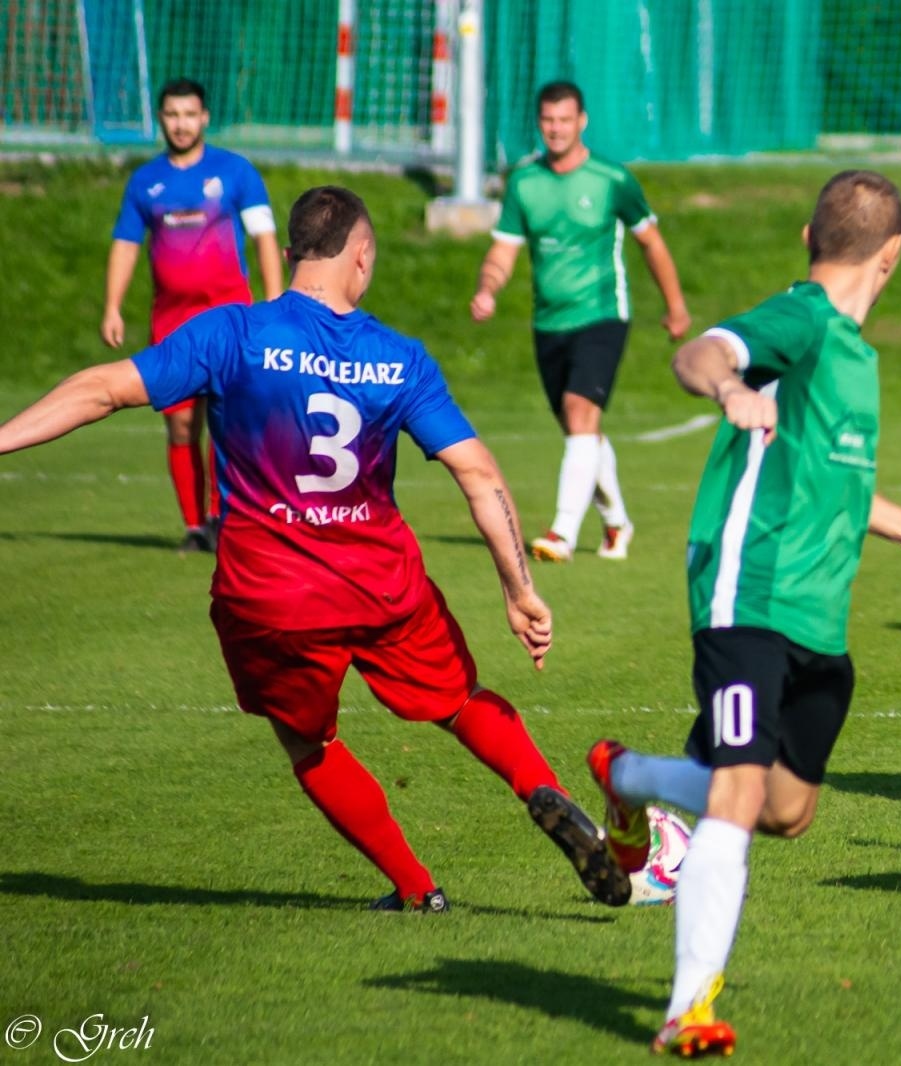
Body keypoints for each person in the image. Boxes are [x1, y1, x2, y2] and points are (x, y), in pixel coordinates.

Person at [1, 186, 630, 912]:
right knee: (458, 700)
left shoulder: (230, 334)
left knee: (309, 742)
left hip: (271, 598)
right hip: (384, 587)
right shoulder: (399, 359)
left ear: (295, 251)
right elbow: (478, 474)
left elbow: (103, 389)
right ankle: (537, 786)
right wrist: (520, 591)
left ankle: (416, 888)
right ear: (360, 256)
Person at [583, 171, 901, 1056]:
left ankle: (631, 777)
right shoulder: (800, 320)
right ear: (895, 256)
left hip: (818, 620)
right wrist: (727, 389)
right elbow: (703, 353)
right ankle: (688, 1010)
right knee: (740, 791)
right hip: (746, 594)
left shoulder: (856, 356)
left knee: (786, 810)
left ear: (808, 231)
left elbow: (838, 483)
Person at [470, 80, 692, 563]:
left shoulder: (612, 179)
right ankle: (616, 523)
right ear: (539, 122)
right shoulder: (524, 183)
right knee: (580, 430)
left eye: (565, 119)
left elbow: (650, 243)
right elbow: (503, 251)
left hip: (602, 314)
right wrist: (488, 287)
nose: (556, 128)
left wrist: (675, 306)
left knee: (580, 414)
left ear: (582, 121)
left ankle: (563, 533)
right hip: (549, 323)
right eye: (548, 120)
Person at [102, 77, 283, 553]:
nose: (181, 124)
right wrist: (112, 307)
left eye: (189, 114)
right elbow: (126, 244)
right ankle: (193, 526)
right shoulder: (146, 182)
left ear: (204, 117)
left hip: (230, 318)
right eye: (172, 115)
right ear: (161, 119)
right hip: (173, 322)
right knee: (182, 425)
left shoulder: (236, 172)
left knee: (228, 421)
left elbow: (265, 237)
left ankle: (226, 518)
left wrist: (277, 302)